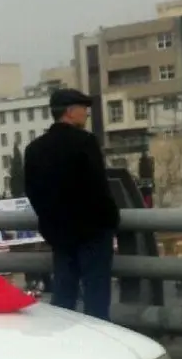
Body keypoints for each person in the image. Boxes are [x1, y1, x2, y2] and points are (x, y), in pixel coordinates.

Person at [24, 88, 120, 321]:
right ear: (69, 111)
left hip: (59, 234)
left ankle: (62, 337)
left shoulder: (35, 149)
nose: (86, 113)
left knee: (64, 293)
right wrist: (111, 221)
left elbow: (33, 192)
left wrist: (50, 224)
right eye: (83, 108)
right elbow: (98, 187)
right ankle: (97, 339)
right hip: (92, 232)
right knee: (96, 297)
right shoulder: (85, 142)